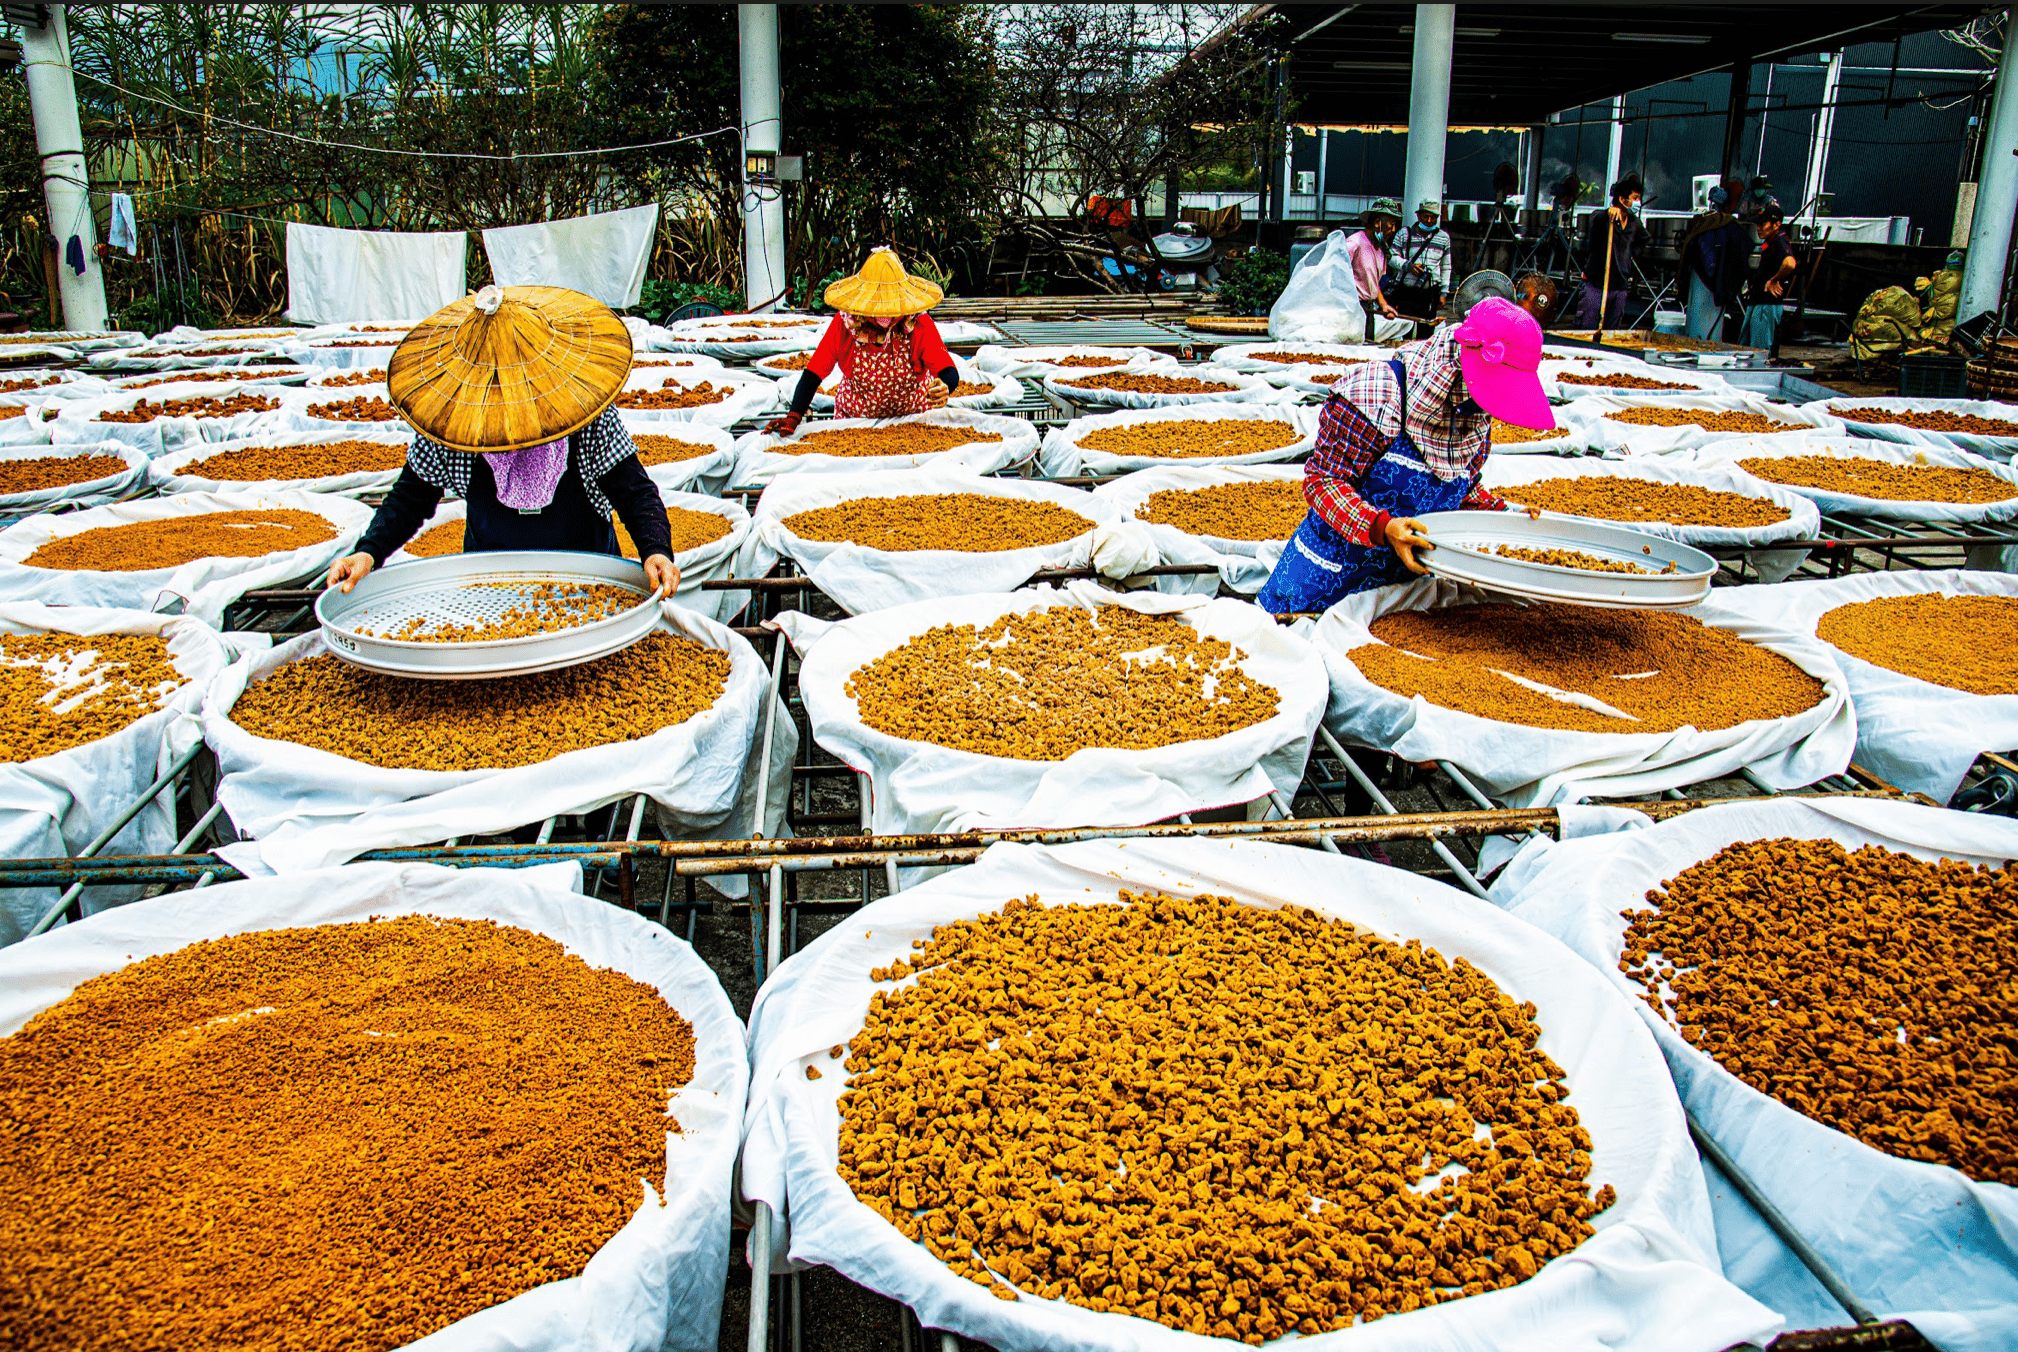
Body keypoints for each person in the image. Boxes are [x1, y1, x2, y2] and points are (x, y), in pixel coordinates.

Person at [327, 284, 678, 597]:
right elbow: (411, 497)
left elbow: (634, 491)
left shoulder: (585, 417)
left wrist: (656, 550)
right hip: (490, 582)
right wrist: (368, 552)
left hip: (589, 576)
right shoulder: (454, 420)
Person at [1253, 296, 1553, 614]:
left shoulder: (1475, 417)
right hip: (1325, 585)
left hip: (1400, 597)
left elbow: (1459, 489)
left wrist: (1505, 518)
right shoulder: (1381, 393)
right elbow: (1323, 482)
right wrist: (1383, 528)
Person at [763, 247, 958, 437]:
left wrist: (944, 386)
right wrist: (794, 415)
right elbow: (814, 373)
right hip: (855, 422)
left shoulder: (917, 324)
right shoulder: (846, 325)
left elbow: (947, 370)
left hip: (912, 421)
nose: (885, 313)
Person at [1679, 178, 1750, 341]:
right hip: (1714, 282)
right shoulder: (1730, 227)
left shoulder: (1703, 222)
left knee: (1699, 323)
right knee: (1708, 326)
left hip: (1702, 279)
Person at [1575, 174, 1647, 330]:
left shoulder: (1634, 222)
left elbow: (1643, 239)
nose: (1637, 202)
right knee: (1587, 328)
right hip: (1597, 284)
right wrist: (1608, 213)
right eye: (1634, 198)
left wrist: (1630, 256)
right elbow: (1595, 219)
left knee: (1610, 331)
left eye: (1638, 198)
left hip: (1619, 285)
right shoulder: (1604, 218)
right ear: (1622, 199)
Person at [1741, 206, 1801, 350]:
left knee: (1759, 351)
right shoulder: (1771, 242)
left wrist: (1774, 280)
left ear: (1777, 224)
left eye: (1763, 224)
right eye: (1757, 224)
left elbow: (1790, 263)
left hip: (1766, 305)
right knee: (1745, 347)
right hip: (1757, 302)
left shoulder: (1780, 241)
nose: (1758, 228)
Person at [1386, 198, 1452, 323]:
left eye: (1433, 217)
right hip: (1406, 291)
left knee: (1427, 328)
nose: (1429, 221)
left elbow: (1446, 266)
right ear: (1418, 215)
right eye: (1426, 216)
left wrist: (1443, 293)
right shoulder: (1404, 234)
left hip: (1430, 292)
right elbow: (1391, 257)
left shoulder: (1443, 238)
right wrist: (1408, 266)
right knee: (1404, 325)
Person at [1346, 199, 1405, 339]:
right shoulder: (1354, 244)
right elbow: (1337, 277)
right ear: (1378, 222)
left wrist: (1383, 304)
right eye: (1391, 224)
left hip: (1369, 308)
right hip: (1352, 309)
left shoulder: (1379, 248)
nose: (1394, 230)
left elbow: (1373, 282)